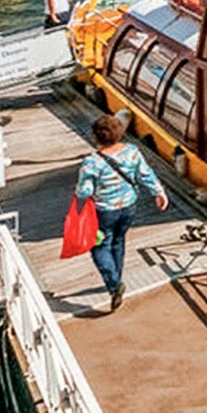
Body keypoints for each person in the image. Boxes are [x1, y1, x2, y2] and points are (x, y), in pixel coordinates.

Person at [75, 115, 167, 311]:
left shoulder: (91, 163)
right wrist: (159, 192)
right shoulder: (132, 152)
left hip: (105, 211)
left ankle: (115, 284)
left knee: (99, 246)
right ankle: (117, 276)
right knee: (118, 240)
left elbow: (85, 191)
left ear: (96, 137)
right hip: (129, 207)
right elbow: (146, 174)